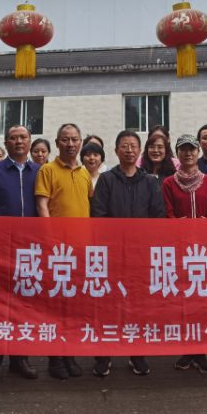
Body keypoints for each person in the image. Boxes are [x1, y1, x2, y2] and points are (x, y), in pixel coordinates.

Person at [90, 130, 165, 378]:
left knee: (138, 306)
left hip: (140, 255)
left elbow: (158, 217)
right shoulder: (107, 180)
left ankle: (137, 353)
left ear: (139, 151)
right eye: (124, 146)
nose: (129, 150)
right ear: (116, 151)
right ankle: (103, 354)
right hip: (112, 254)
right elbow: (98, 215)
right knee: (108, 305)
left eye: (133, 146)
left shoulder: (150, 182)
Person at [0, 125, 40, 383]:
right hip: (0, 249)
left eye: (23, 137)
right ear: (6, 142)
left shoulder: (40, 171)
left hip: (30, 250)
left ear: (30, 141)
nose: (18, 142)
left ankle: (19, 359)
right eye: (13, 138)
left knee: (24, 305)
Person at [36, 123, 93, 380]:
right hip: (58, 250)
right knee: (56, 305)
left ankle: (69, 353)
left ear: (80, 142)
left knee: (74, 305)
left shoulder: (84, 173)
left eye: (75, 139)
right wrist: (50, 239)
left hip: (81, 249)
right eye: (65, 140)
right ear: (57, 142)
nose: (71, 144)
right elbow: (42, 205)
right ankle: (55, 357)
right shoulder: (47, 170)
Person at [164, 134, 207, 375]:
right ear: (177, 153)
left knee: (203, 300)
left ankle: (202, 352)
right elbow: (168, 215)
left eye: (192, 149)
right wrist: (182, 227)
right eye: (183, 150)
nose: (188, 154)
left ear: (198, 152)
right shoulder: (169, 183)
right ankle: (188, 350)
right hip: (180, 249)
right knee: (184, 300)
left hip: (205, 250)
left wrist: (204, 226)